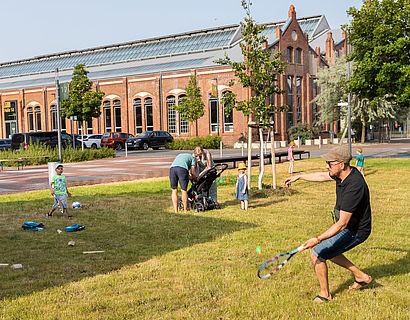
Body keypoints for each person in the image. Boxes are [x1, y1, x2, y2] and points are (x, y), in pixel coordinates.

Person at [284, 146, 372, 303]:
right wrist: (300, 177)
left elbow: (342, 224)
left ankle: (325, 295)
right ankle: (361, 276)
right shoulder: (342, 175)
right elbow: (322, 176)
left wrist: (316, 239)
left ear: (341, 164)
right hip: (347, 226)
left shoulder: (354, 186)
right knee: (329, 250)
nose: (327, 166)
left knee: (317, 253)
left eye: (330, 163)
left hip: (355, 230)